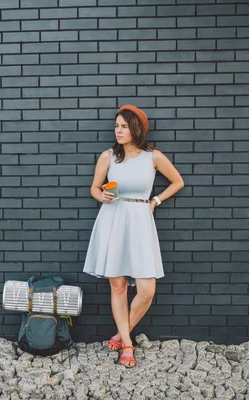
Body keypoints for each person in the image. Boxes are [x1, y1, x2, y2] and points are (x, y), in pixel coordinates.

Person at [83, 105, 185, 368]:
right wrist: (100, 195)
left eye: (124, 126)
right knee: (117, 286)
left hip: (140, 221)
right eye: (116, 126)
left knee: (147, 290)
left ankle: (120, 333)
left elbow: (178, 181)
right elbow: (94, 188)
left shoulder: (153, 156)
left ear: (136, 129)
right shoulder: (108, 156)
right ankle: (127, 344)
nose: (118, 131)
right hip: (113, 219)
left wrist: (156, 201)